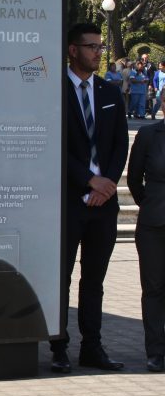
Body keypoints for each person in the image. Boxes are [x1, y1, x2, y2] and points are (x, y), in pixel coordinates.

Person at [52, 23, 128, 374]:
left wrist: (107, 184)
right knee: (62, 278)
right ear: (73, 50)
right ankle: (59, 347)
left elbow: (120, 144)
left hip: (104, 204)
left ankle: (92, 347)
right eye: (91, 46)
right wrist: (88, 180)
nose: (98, 52)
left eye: (100, 46)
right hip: (69, 201)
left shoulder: (109, 91)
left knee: (94, 280)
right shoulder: (54, 91)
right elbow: (54, 143)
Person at [128, 119, 165, 372]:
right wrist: (151, 204)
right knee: (154, 288)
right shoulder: (148, 134)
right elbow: (133, 179)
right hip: (153, 225)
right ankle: (155, 351)